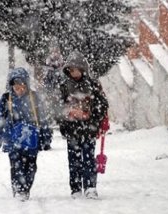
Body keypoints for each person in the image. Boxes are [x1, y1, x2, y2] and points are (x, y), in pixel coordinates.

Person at [0, 67, 52, 201]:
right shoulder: (6, 100)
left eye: (22, 85)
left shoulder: (34, 98)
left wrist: (46, 138)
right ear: (11, 86)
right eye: (16, 86)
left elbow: (43, 119)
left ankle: (26, 188)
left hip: (32, 141)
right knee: (16, 166)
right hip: (13, 141)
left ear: (27, 85)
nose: (19, 89)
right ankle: (18, 189)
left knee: (31, 166)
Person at [57, 51, 109, 199]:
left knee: (88, 159)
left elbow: (102, 104)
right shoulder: (64, 86)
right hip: (72, 129)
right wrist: (67, 117)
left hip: (88, 129)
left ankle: (90, 186)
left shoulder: (92, 85)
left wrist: (93, 118)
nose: (74, 73)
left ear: (82, 69)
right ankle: (75, 188)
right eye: (71, 70)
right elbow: (58, 107)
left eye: (76, 69)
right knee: (73, 160)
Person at [42, 46, 65, 126]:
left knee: (59, 105)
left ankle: (59, 120)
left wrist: (60, 90)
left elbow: (63, 80)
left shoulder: (62, 63)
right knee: (50, 104)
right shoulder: (48, 64)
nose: (55, 54)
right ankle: (51, 119)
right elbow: (46, 81)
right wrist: (48, 91)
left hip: (59, 91)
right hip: (50, 90)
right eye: (53, 51)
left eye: (56, 51)